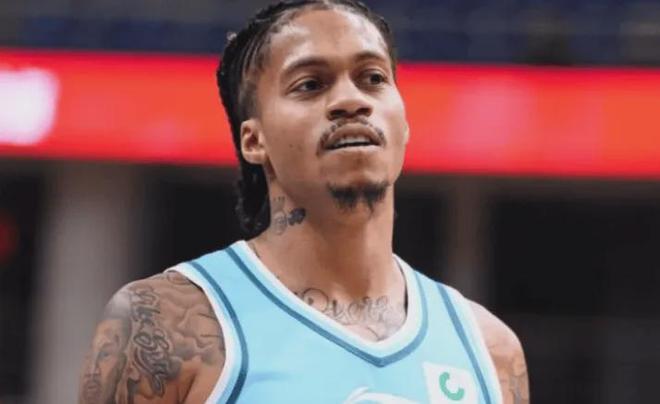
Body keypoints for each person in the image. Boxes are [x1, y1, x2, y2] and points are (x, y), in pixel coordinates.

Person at [78, 1, 529, 403]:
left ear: (404, 122)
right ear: (254, 141)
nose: (351, 100)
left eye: (373, 79)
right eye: (311, 84)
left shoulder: (490, 350)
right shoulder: (165, 324)